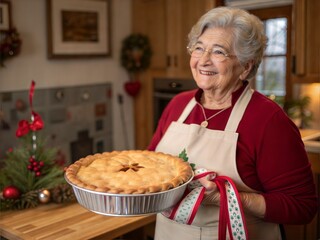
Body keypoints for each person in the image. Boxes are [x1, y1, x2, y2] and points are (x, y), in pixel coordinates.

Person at [148, 6, 318, 240]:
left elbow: (302, 206)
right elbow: (149, 165)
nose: (203, 61)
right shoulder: (178, 105)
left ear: (246, 66)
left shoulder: (268, 120)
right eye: (199, 48)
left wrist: (227, 197)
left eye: (219, 52)